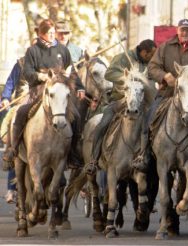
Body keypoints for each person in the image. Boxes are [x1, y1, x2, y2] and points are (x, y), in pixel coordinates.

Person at [2, 19, 81, 169]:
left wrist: (80, 88)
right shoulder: (32, 51)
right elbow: (27, 72)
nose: (53, 35)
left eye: (53, 33)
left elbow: (73, 72)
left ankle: (73, 154)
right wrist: (40, 76)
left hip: (58, 93)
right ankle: (13, 149)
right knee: (20, 113)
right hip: (37, 92)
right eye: (49, 33)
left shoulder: (63, 50)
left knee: (76, 116)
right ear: (42, 34)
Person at [132, 18, 188, 170]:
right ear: (177, 31)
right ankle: (144, 154)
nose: (185, 32)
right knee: (149, 117)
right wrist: (165, 76)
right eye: (182, 30)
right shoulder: (165, 47)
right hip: (167, 93)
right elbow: (153, 67)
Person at [86, 39, 157, 172]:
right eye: (150, 55)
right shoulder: (122, 58)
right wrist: (127, 78)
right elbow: (109, 74)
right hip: (120, 100)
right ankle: (93, 160)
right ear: (143, 52)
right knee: (103, 124)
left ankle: (148, 158)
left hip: (142, 103)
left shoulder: (149, 63)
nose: (152, 57)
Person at [1, 57, 28, 203]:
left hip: (42, 101)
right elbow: (10, 83)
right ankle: (11, 189)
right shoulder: (21, 63)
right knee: (13, 140)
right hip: (20, 103)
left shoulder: (49, 60)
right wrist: (5, 97)